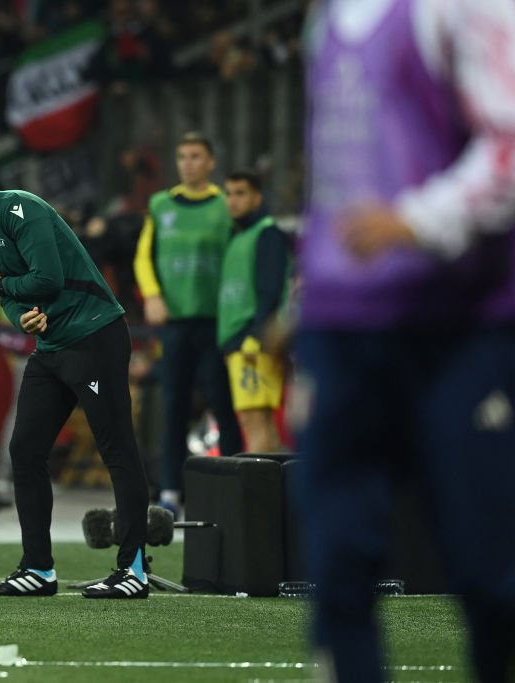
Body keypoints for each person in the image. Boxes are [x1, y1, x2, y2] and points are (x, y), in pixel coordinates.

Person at [296, 1, 515, 680]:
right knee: (335, 567)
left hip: (457, 326)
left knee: (490, 571)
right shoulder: (325, 21)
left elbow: (509, 145)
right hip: (340, 327)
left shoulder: (463, 9)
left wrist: (417, 221)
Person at [0, 149, 150, 599]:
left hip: (94, 336)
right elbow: (10, 302)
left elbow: (47, 279)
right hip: (51, 345)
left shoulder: (20, 209)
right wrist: (22, 318)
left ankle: (134, 570)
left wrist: (2, 285)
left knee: (117, 449)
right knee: (25, 450)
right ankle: (38, 568)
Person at [133, 131, 243, 520]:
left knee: (223, 405)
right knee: (174, 407)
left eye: (196, 156)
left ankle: (235, 487)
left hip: (216, 321)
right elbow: (144, 257)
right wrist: (153, 295)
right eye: (182, 156)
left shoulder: (225, 204)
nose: (188, 163)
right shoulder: (161, 204)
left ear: (211, 162)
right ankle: (170, 493)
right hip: (175, 323)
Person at [217, 169, 291, 453]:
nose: (233, 200)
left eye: (241, 193)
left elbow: (271, 291)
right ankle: (274, 481)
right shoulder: (238, 237)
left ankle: (257, 481)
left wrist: (255, 335)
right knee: (259, 422)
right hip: (237, 341)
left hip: (251, 341)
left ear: (257, 198)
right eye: (229, 194)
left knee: (255, 420)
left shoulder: (267, 234)